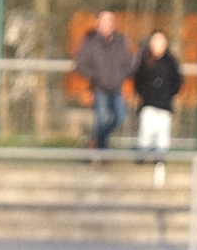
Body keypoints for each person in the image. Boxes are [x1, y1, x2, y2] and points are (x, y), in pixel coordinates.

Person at [75, 10, 133, 151]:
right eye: (103, 20)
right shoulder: (90, 41)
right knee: (101, 120)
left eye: (110, 21)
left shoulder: (120, 41)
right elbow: (80, 64)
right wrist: (96, 76)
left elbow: (128, 62)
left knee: (120, 117)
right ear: (98, 23)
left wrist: (121, 75)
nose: (107, 24)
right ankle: (102, 151)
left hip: (116, 88)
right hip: (99, 88)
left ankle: (96, 141)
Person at [133, 29, 182, 187]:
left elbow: (177, 81)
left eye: (161, 41)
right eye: (155, 41)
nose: (158, 45)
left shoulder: (170, 61)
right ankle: (143, 153)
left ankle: (160, 158)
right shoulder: (145, 60)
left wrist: (168, 93)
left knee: (163, 131)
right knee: (147, 128)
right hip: (148, 103)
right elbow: (138, 80)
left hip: (165, 104)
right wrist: (143, 94)